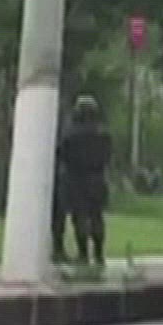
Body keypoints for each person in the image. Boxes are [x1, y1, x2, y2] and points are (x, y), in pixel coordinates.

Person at [57, 95, 112, 267]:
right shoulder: (104, 135)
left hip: (77, 179)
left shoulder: (71, 135)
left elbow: (62, 154)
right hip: (98, 179)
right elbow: (108, 156)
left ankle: (83, 254)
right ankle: (99, 254)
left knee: (80, 217)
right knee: (97, 217)